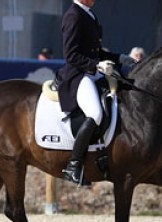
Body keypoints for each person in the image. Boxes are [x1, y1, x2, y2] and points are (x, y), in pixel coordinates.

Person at [57, 0, 136, 185]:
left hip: (92, 72)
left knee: (120, 97)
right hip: (78, 75)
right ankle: (73, 165)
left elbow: (96, 51)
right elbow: (71, 55)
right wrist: (96, 65)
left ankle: (103, 154)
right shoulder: (73, 15)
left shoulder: (89, 14)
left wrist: (120, 58)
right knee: (96, 113)